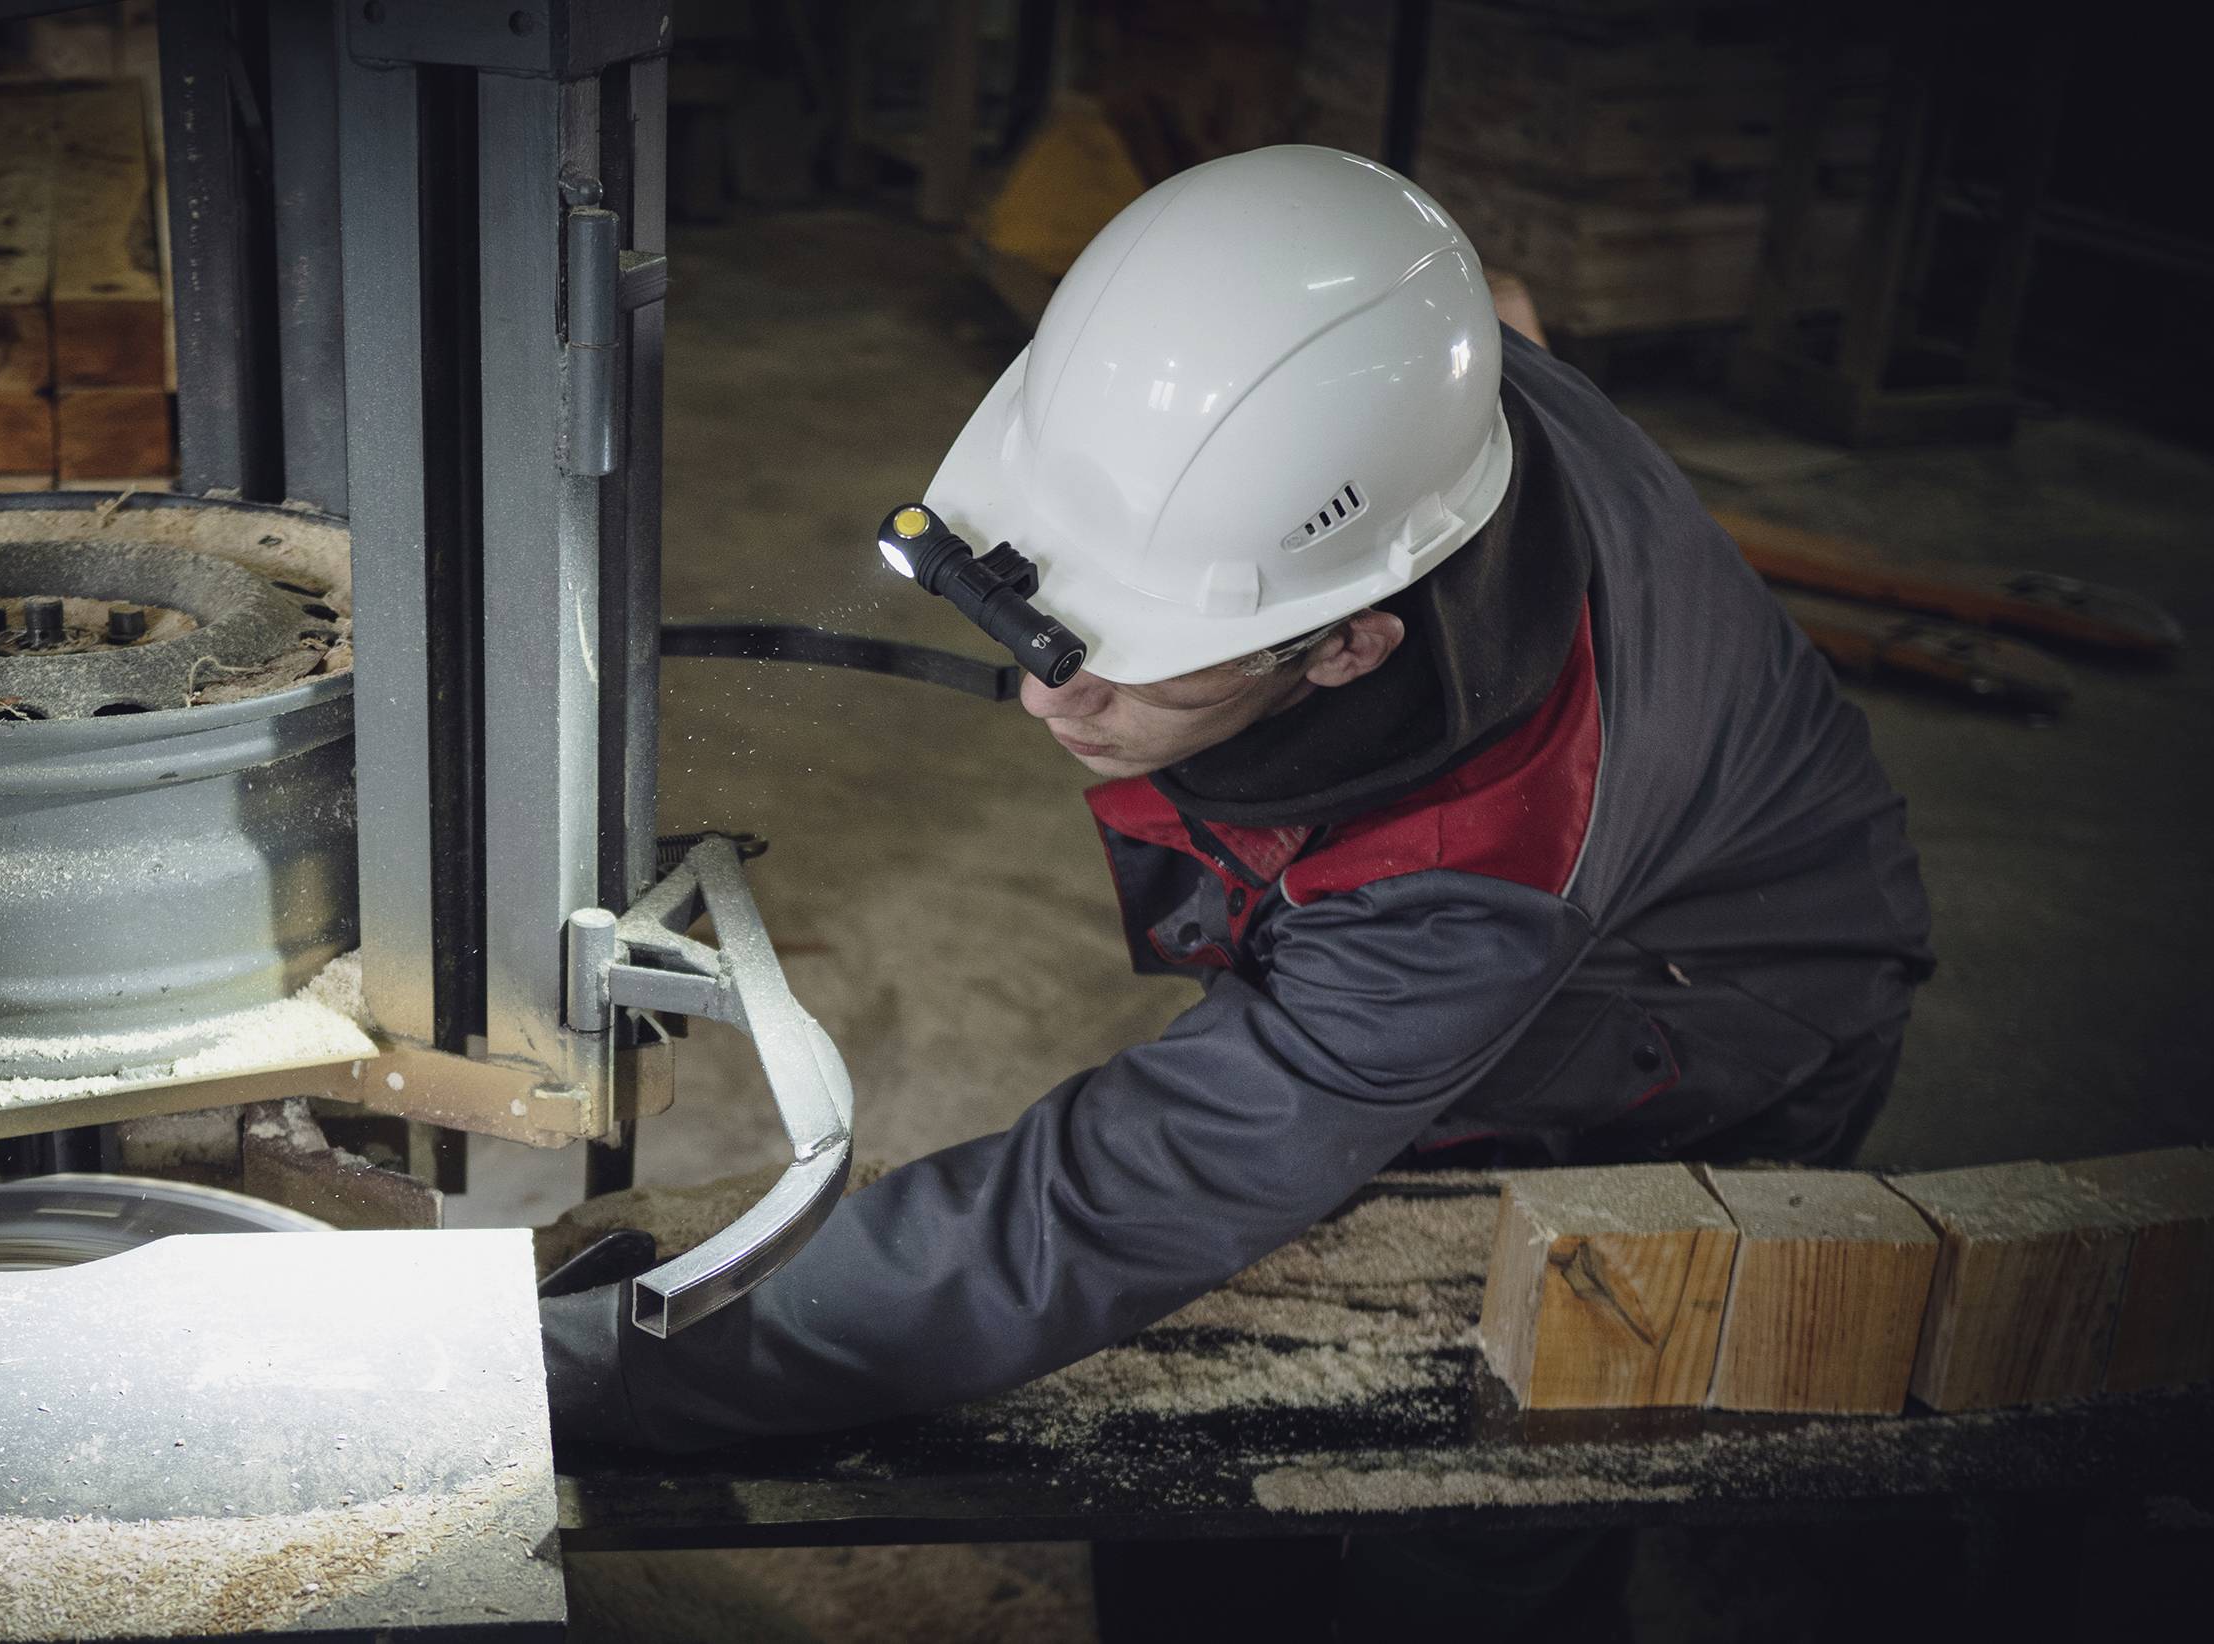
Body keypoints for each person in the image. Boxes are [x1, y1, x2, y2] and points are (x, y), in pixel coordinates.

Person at [542, 147, 1931, 1473]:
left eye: (1121, 667)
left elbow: (1081, 1218)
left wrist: (615, 1373)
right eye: (1035, 638)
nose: (1043, 705)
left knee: (1455, 1463)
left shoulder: (1460, 893)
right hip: (1620, 871)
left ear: (1342, 649)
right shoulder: (1407, 415)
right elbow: (1480, 306)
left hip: (1706, 1015)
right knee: (1183, 1416)